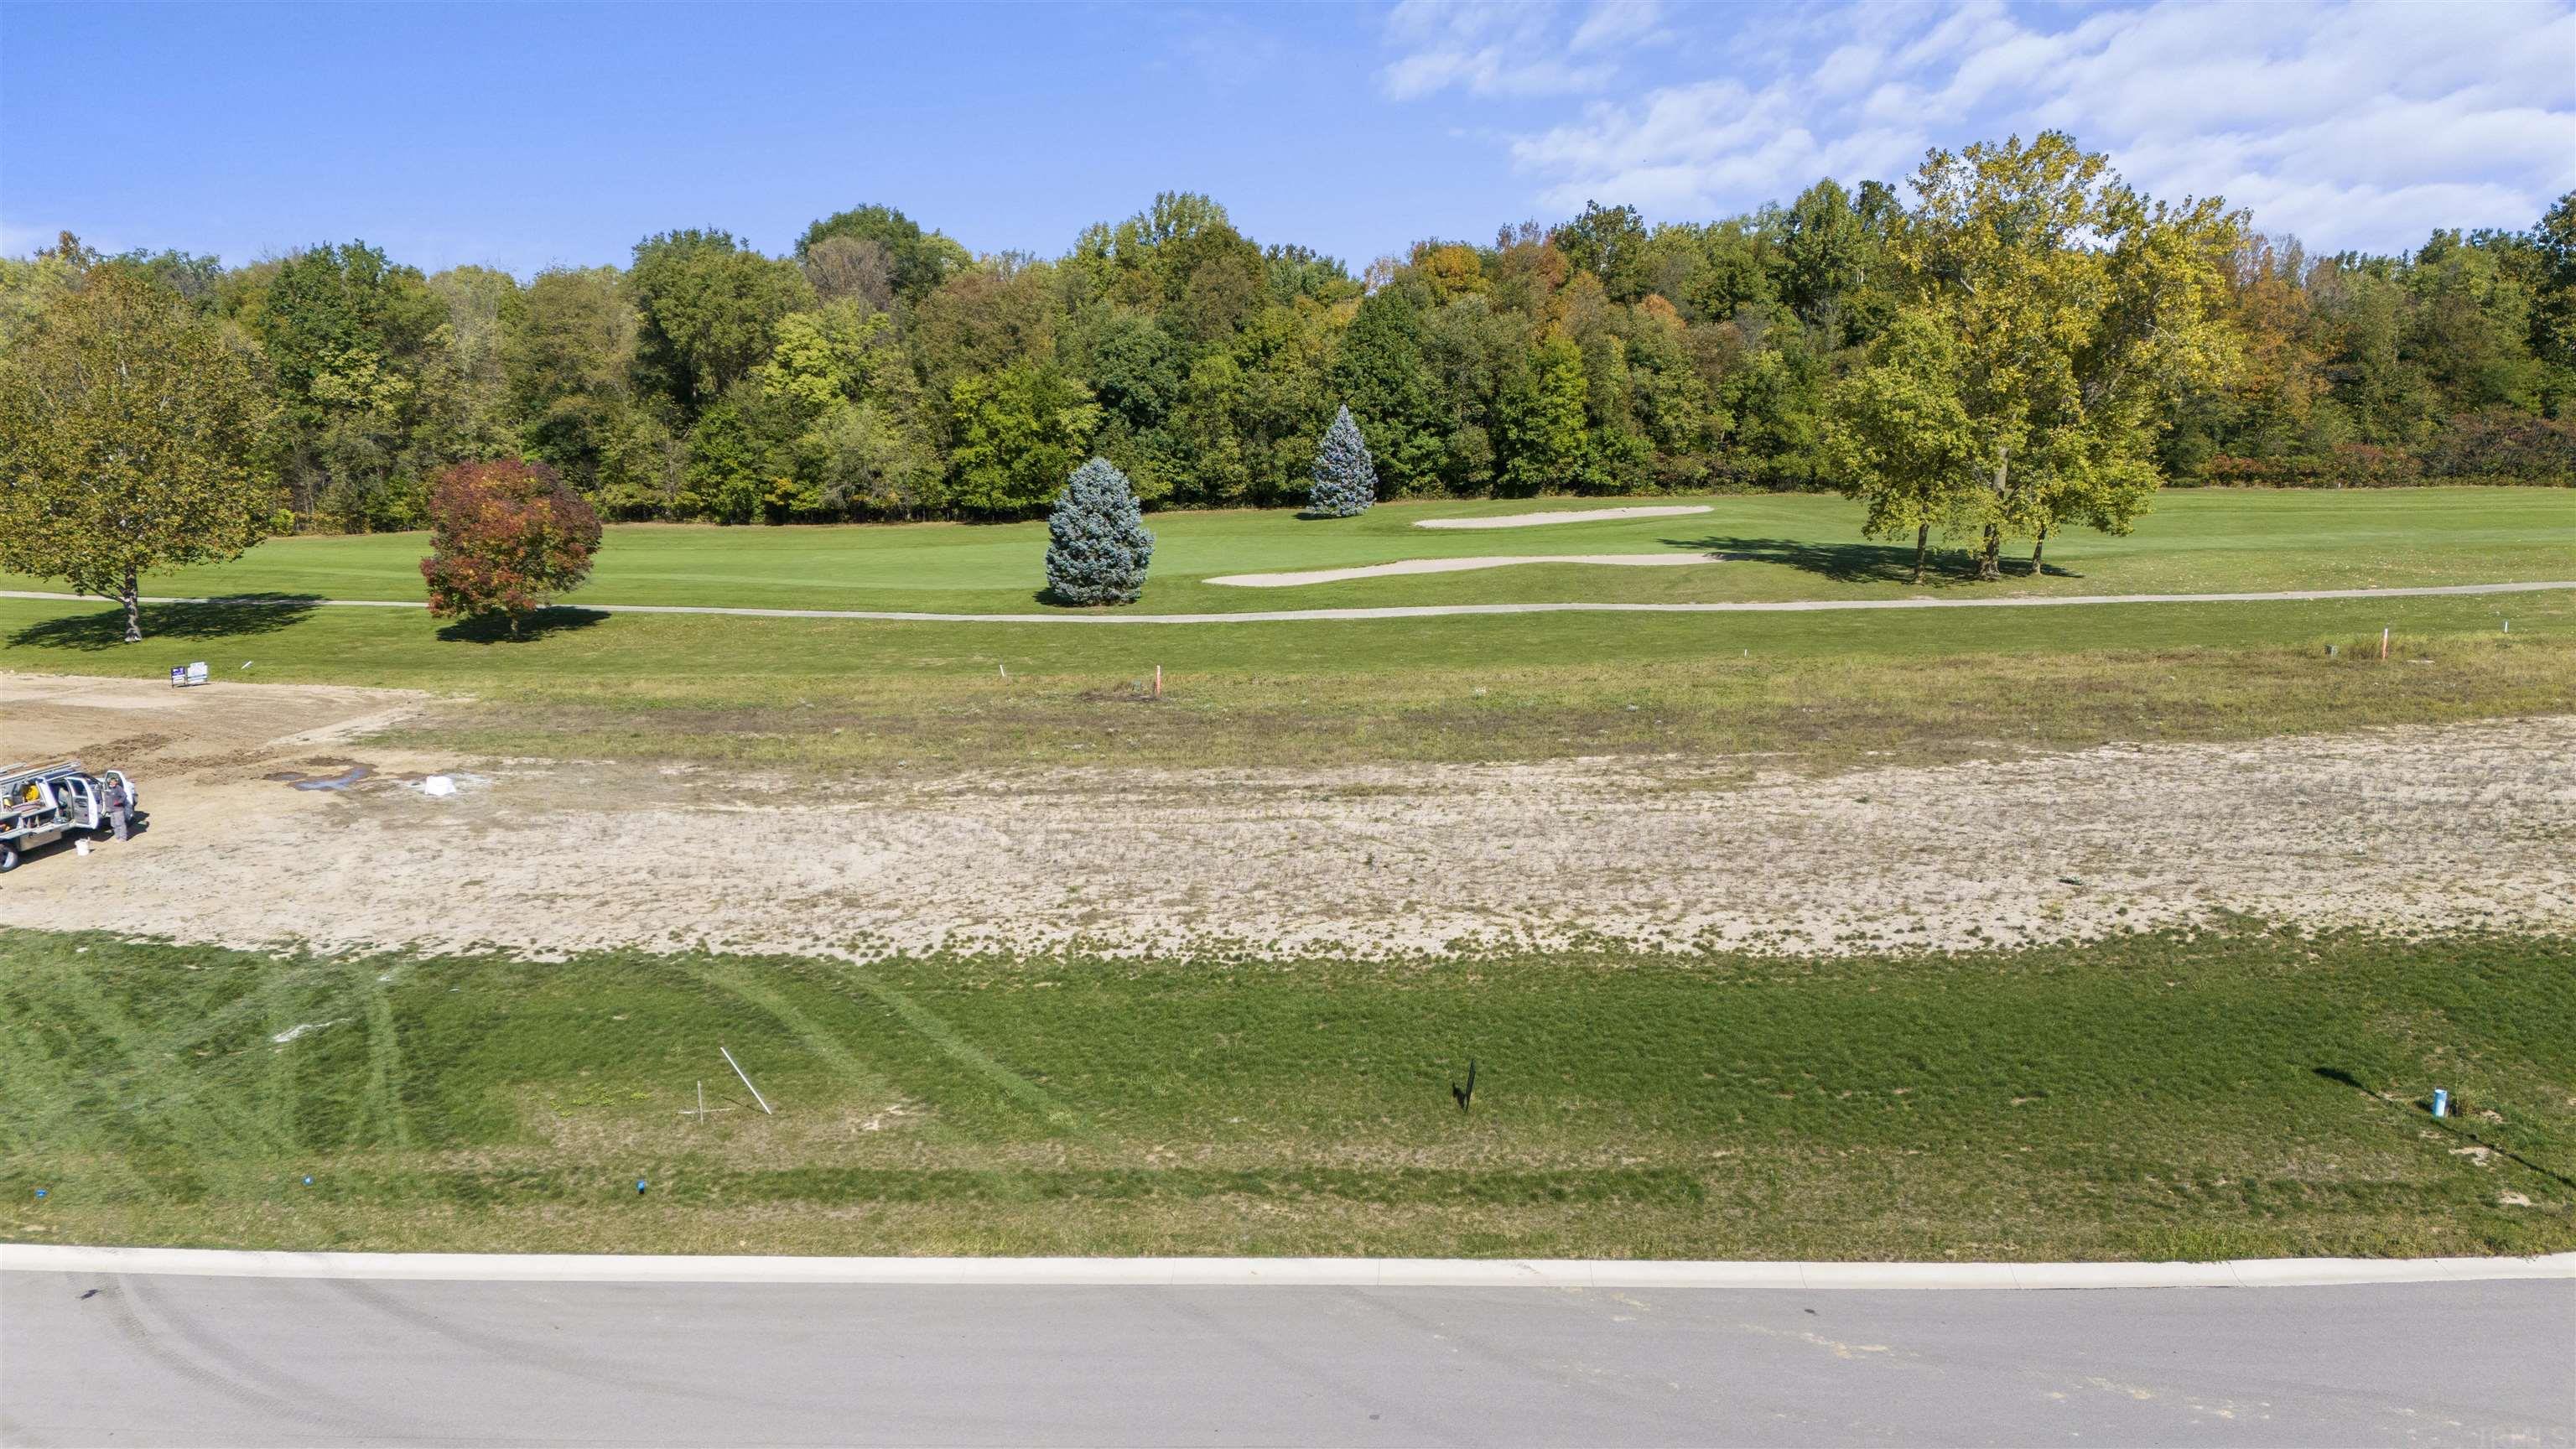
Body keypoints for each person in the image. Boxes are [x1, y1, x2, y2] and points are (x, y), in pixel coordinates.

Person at [101, 773, 130, 842]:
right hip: (112, 810)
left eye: (114, 781)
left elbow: (124, 796)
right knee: (113, 824)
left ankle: (123, 838)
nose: (112, 782)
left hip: (118, 810)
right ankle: (117, 837)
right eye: (111, 781)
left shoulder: (118, 788)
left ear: (116, 782)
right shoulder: (109, 789)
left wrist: (119, 802)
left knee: (120, 824)